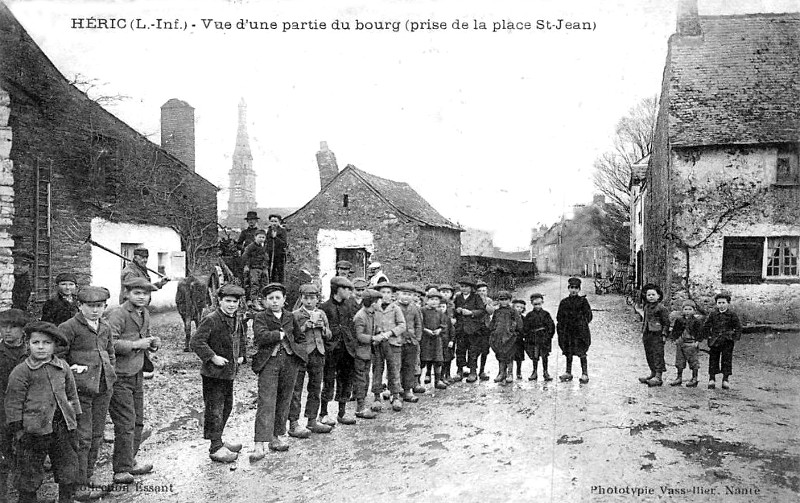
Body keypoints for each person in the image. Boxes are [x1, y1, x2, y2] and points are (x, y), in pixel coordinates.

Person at [5, 321, 81, 503]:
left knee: (67, 469)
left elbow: (71, 395)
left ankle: (66, 499)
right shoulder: (21, 371)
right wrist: (18, 430)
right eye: (35, 342)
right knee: (29, 474)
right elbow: (13, 402)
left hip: (62, 426)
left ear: (54, 346)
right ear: (27, 344)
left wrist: (75, 418)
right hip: (33, 431)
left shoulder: (62, 367)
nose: (40, 347)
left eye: (46, 343)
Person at [57, 286, 116, 499]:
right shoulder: (69, 327)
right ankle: (79, 484)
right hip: (80, 391)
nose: (94, 311)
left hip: (103, 387)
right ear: (79, 306)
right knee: (82, 438)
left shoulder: (105, 327)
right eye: (90, 306)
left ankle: (89, 476)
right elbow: (58, 356)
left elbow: (110, 352)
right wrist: (72, 370)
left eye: (99, 306)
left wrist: (111, 373)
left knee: (97, 435)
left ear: (105, 307)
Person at [106, 278, 160, 484]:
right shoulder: (118, 314)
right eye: (137, 293)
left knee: (138, 420)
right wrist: (138, 344)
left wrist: (152, 344)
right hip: (119, 375)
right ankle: (120, 469)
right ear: (127, 293)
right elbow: (110, 342)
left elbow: (143, 337)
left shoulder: (144, 313)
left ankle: (130, 461)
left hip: (137, 372)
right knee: (126, 422)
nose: (141, 297)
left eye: (145, 294)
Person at [190, 284, 246, 463]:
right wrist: (212, 357)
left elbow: (241, 338)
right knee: (215, 409)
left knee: (227, 406)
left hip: (228, 372)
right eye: (227, 301)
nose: (231, 305)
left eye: (234, 302)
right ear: (219, 301)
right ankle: (215, 448)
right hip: (213, 374)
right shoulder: (211, 319)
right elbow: (197, 342)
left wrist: (241, 355)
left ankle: (219, 440)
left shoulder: (236, 319)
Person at [250, 283, 306, 460]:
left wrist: (298, 354)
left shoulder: (290, 316)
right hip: (269, 363)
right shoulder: (260, 317)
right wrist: (279, 335)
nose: (274, 302)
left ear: (284, 300)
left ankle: (276, 436)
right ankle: (259, 443)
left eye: (277, 298)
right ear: (265, 301)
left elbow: (300, 337)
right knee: (266, 401)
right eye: (270, 298)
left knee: (284, 399)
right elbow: (261, 336)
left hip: (289, 362)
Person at [288, 284, 334, 438]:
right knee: (296, 389)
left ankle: (312, 419)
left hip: (318, 353)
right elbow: (291, 336)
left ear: (317, 299)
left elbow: (329, 335)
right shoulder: (295, 315)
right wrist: (304, 327)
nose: (309, 301)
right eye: (305, 298)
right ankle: (293, 423)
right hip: (301, 355)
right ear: (301, 299)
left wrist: (323, 328)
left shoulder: (321, 313)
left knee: (315, 387)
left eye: (312, 298)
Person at [319, 277, 358, 426]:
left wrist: (352, 343)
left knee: (346, 380)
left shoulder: (349, 306)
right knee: (328, 380)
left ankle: (342, 413)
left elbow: (352, 326)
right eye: (346, 288)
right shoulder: (325, 307)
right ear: (337, 289)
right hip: (331, 350)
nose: (349, 292)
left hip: (347, 350)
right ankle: (323, 413)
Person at [0, 309, 30, 502]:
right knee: (2, 457)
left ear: (23, 331)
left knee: (26, 456)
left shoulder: (31, 353)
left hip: (27, 413)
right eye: (4, 327)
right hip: (1, 413)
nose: (8, 331)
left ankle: (26, 496)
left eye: (13, 327)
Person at [371, 283, 406, 412]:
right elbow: (371, 323)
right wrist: (377, 332)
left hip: (393, 344)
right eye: (382, 292)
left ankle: (395, 395)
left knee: (394, 369)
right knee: (377, 369)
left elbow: (402, 325)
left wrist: (390, 333)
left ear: (392, 295)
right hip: (378, 344)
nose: (385, 295)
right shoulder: (374, 308)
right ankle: (376, 397)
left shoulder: (396, 309)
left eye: (388, 292)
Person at [352, 289, 382, 419]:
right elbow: (359, 336)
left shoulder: (372, 314)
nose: (380, 303)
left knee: (366, 378)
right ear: (372, 302)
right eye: (378, 301)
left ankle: (362, 404)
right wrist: (373, 338)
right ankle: (360, 407)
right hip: (360, 352)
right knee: (361, 379)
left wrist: (378, 331)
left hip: (368, 352)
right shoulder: (360, 316)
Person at [556, 277, 592, 383]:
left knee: (582, 352)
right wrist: (563, 327)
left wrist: (582, 324)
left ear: (579, 289)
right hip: (568, 332)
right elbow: (559, 317)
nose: (573, 290)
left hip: (580, 332)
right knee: (568, 351)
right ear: (568, 288)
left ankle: (584, 373)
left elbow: (589, 316)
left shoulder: (583, 301)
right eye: (572, 287)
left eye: (576, 288)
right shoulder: (564, 302)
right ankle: (568, 372)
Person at [704, 291, 741, 390]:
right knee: (713, 359)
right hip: (715, 340)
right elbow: (706, 326)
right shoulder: (713, 314)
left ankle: (725, 379)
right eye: (719, 303)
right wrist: (708, 336)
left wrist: (734, 337)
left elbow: (738, 327)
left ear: (728, 303)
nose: (721, 305)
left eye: (723, 303)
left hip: (727, 341)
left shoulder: (732, 315)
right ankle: (712, 379)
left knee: (726, 360)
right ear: (716, 304)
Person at [638, 283, 670, 387]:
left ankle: (658, 376)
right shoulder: (647, 307)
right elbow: (645, 320)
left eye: (653, 295)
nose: (651, 297)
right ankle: (652, 373)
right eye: (649, 295)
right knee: (649, 354)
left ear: (658, 296)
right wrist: (643, 332)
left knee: (657, 355)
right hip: (648, 334)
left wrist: (664, 335)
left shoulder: (661, 308)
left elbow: (666, 323)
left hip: (657, 335)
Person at [453, 279, 486, 383]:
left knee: (473, 351)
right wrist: (457, 311)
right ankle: (459, 371)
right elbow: (452, 310)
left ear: (471, 288)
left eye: (466, 287)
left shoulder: (476, 297)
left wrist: (471, 312)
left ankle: (473, 371)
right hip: (461, 329)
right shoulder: (458, 297)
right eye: (461, 286)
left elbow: (482, 311)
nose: (464, 289)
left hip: (473, 329)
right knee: (460, 350)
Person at [396, 284, 423, 402]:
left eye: (409, 294)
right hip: (397, 341)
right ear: (398, 294)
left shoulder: (415, 308)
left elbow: (418, 324)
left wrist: (417, 338)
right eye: (404, 294)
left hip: (411, 342)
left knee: (409, 366)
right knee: (396, 367)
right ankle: (396, 391)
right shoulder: (394, 307)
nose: (406, 297)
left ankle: (407, 390)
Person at [668, 299, 705, 388]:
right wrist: (674, 339)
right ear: (682, 310)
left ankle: (694, 378)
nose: (687, 311)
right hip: (681, 342)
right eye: (685, 309)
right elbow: (675, 330)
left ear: (694, 310)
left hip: (691, 343)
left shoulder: (697, 321)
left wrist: (697, 341)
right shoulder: (679, 320)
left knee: (693, 362)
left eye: (690, 309)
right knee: (679, 361)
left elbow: (700, 333)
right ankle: (679, 377)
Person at [489, 291, 522, 384]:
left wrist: (514, 332)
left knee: (509, 355)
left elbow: (519, 324)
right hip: (498, 337)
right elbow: (493, 323)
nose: (503, 302)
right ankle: (501, 373)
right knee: (500, 355)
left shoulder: (513, 311)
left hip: (510, 338)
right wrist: (493, 331)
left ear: (509, 300)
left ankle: (510, 373)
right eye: (501, 300)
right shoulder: (497, 312)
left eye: (505, 300)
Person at [522, 293, 555, 381]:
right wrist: (528, 337)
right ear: (532, 304)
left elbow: (551, 326)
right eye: (535, 304)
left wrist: (549, 336)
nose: (537, 306)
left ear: (542, 303)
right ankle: (534, 371)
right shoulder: (529, 315)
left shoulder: (546, 314)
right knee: (535, 356)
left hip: (544, 338)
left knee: (545, 356)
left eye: (539, 304)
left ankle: (545, 372)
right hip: (534, 339)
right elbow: (526, 327)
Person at [420, 291, 448, 390]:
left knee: (438, 360)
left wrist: (439, 329)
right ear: (427, 300)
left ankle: (437, 380)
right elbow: (420, 324)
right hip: (425, 339)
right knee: (423, 360)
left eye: (436, 300)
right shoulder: (422, 310)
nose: (434, 302)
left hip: (436, 339)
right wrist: (426, 330)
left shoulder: (439, 311)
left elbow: (444, 324)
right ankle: (418, 382)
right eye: (431, 299)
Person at [176, 275, 211, 352]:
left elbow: (203, 300)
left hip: (194, 306)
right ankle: (193, 343)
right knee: (195, 323)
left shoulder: (199, 285)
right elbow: (179, 300)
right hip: (187, 306)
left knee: (193, 324)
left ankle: (195, 343)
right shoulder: (183, 285)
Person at [242, 230, 268, 310]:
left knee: (264, 284)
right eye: (259, 237)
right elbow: (245, 256)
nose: (261, 239)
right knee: (255, 283)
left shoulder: (263, 247)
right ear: (255, 237)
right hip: (254, 268)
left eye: (263, 237)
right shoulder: (251, 247)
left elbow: (266, 257)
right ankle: (254, 300)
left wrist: (265, 266)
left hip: (262, 268)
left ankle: (263, 299)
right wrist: (247, 265)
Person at [438, 285, 457, 383]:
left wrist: (452, 340)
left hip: (448, 338)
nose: (445, 294)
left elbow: (452, 328)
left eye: (447, 292)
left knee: (449, 357)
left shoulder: (453, 304)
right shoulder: (436, 313)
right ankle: (440, 377)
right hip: (439, 340)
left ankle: (448, 374)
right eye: (443, 292)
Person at [265, 214, 288, 284]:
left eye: (275, 221)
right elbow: (266, 242)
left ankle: (281, 288)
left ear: (279, 222)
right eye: (272, 221)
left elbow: (284, 243)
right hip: (270, 254)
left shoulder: (282, 231)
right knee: (270, 272)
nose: (273, 223)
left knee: (280, 273)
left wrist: (276, 238)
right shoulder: (268, 231)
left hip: (279, 255)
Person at [510, 299, 527, 380]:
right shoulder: (510, 317)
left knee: (519, 357)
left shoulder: (524, 318)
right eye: (517, 307)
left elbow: (525, 329)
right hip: (510, 339)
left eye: (521, 307)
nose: (519, 309)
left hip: (519, 340)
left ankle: (519, 371)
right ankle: (509, 372)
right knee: (510, 356)